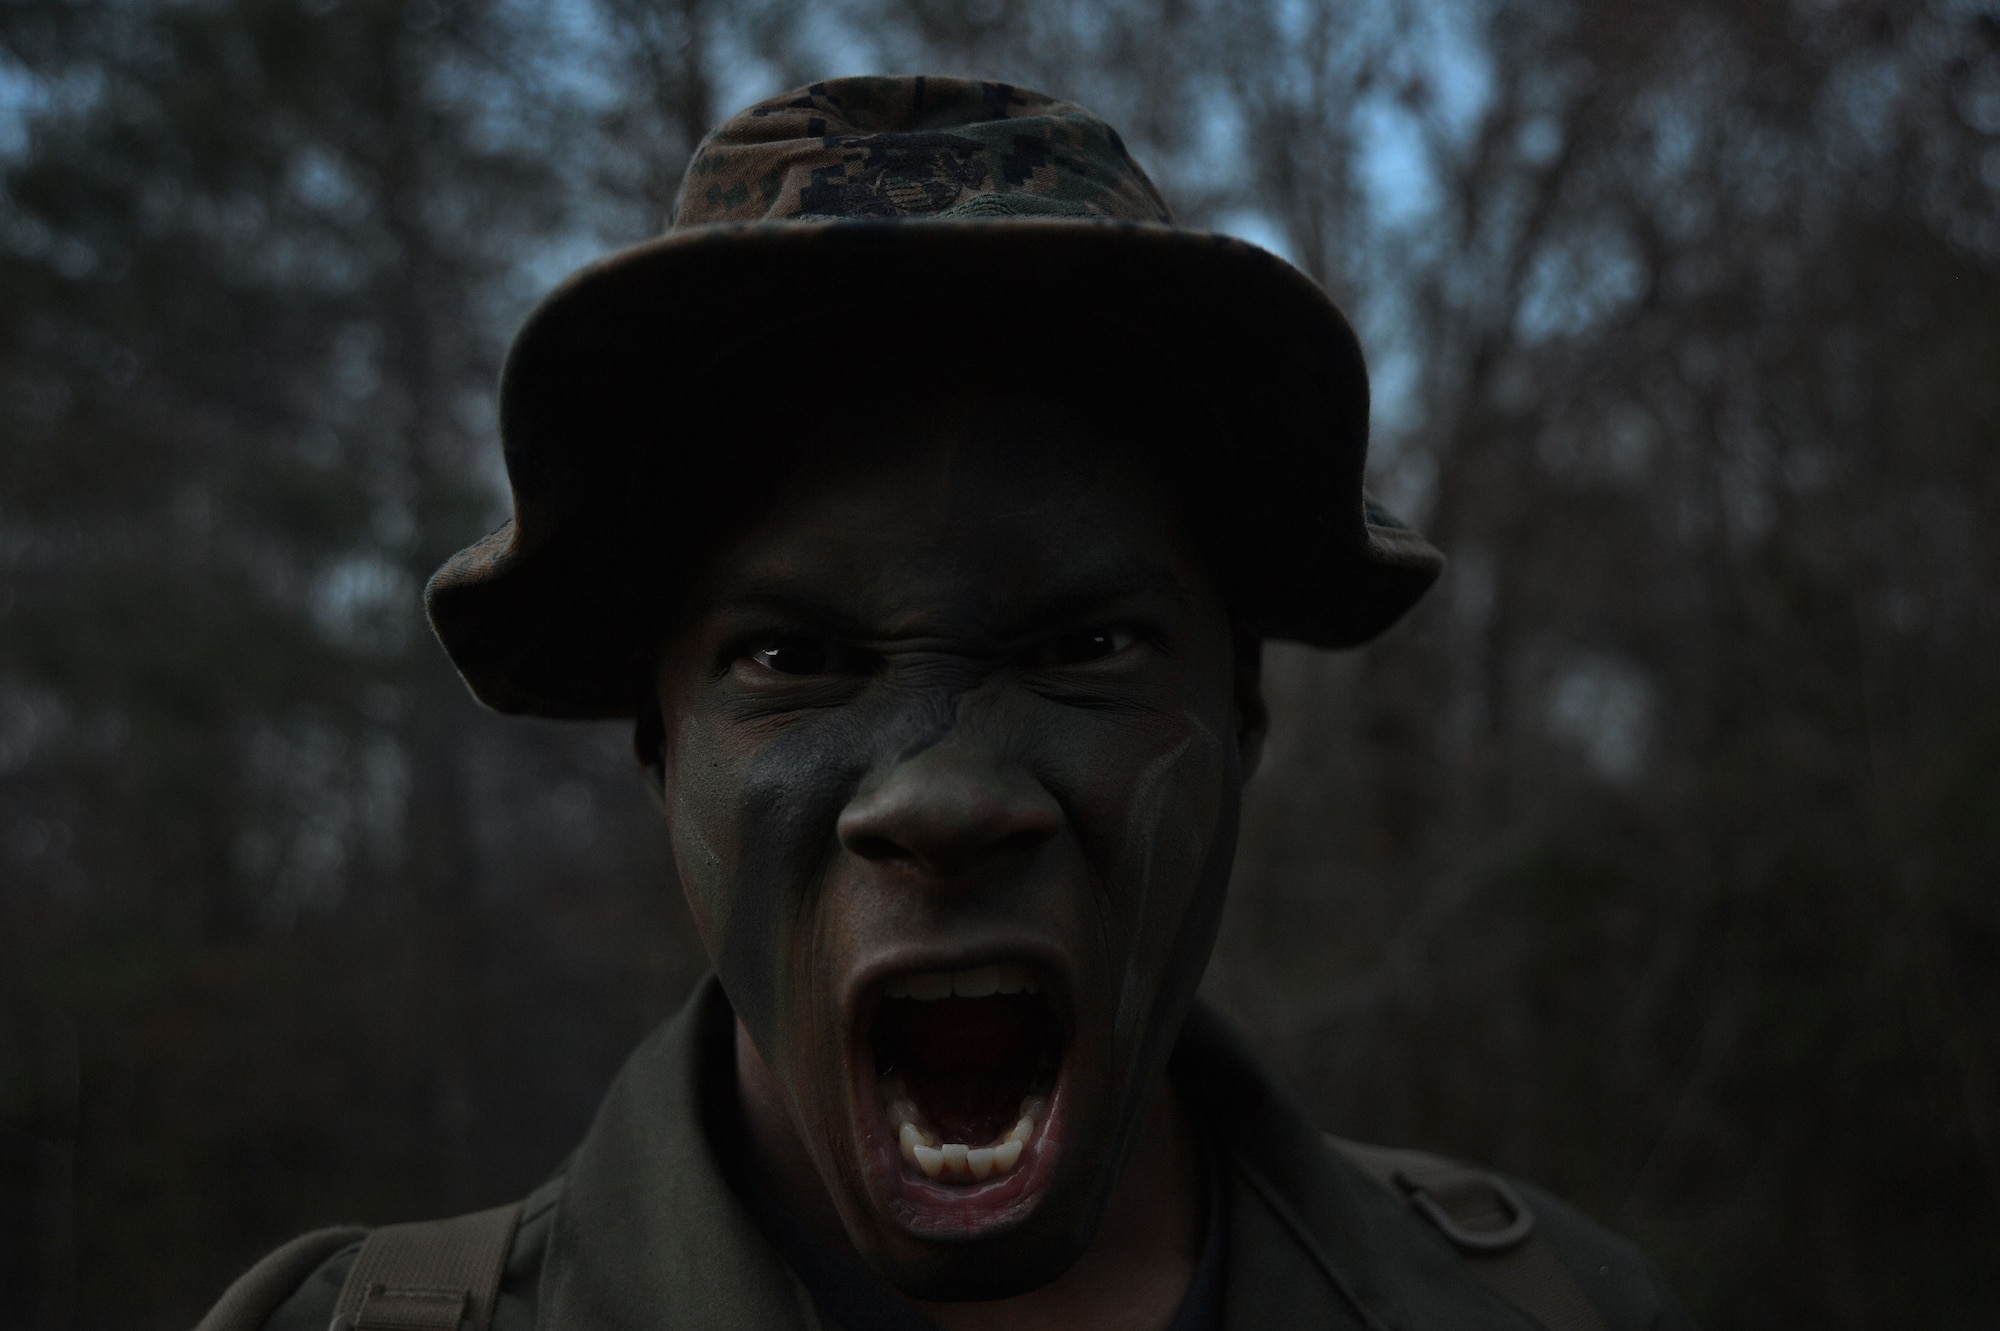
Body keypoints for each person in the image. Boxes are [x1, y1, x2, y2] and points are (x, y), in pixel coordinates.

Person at [198, 76, 1695, 1331]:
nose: (945, 798)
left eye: (1088, 644)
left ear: (1243, 713)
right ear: (660, 746)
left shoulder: (1558, 1311)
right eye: (794, 658)